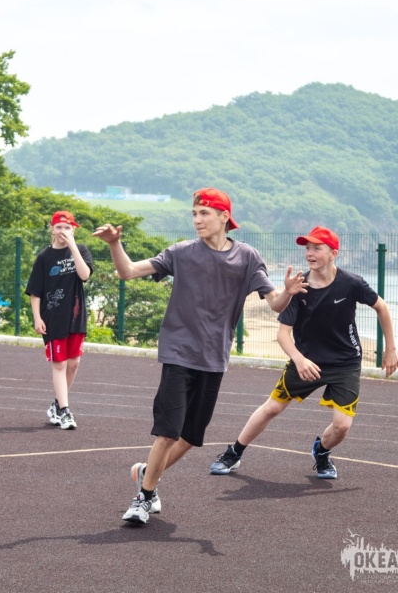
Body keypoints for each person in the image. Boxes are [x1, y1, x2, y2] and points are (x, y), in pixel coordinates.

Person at [92, 188, 307, 524]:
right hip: (178, 353)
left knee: (191, 437)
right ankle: (144, 498)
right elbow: (128, 272)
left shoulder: (247, 258)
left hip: (214, 359)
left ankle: (148, 474)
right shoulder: (181, 252)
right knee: (168, 432)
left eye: (204, 213)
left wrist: (289, 293)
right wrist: (114, 244)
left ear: (224, 217)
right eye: (194, 214)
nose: (197, 220)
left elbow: (276, 304)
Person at [209, 226, 398, 480]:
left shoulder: (352, 283)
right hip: (306, 361)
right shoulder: (299, 288)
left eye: (316, 248)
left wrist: (390, 349)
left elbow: (382, 307)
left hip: (345, 363)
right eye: (307, 248)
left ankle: (321, 452)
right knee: (272, 408)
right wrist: (299, 360)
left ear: (333, 253)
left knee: (342, 426)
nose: (309, 253)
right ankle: (234, 453)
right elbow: (282, 334)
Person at [25, 210, 94, 430]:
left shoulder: (81, 250)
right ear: (52, 229)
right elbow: (35, 291)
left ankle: (56, 404)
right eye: (59, 227)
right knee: (60, 363)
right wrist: (37, 318)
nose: (63, 231)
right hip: (52, 318)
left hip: (76, 316)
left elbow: (84, 275)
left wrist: (73, 247)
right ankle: (65, 411)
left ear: (73, 230)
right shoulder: (44, 257)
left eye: (67, 227)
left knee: (74, 363)